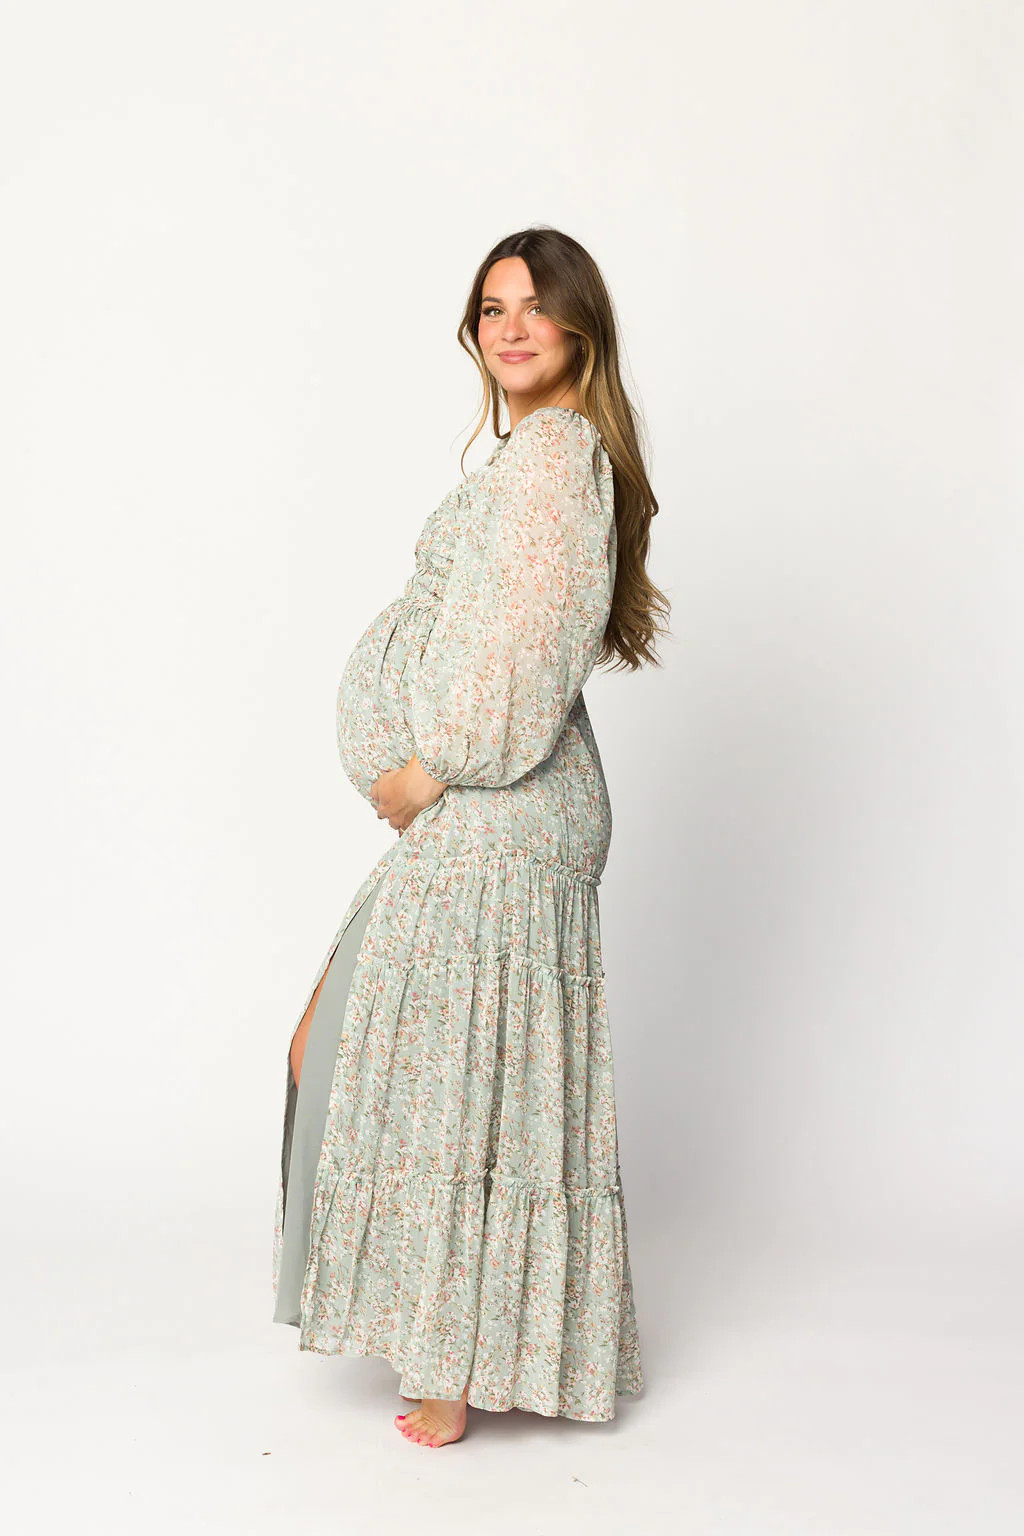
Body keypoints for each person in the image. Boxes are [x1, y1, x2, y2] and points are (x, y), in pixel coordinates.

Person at [271, 224, 670, 1449]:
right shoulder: (535, 457)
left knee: (445, 1082)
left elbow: (525, 652)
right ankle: (456, 1339)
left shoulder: (555, 459)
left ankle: (451, 1364)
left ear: (578, 328)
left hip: (498, 803)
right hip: (483, 806)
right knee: (378, 1056)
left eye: (534, 306)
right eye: (492, 308)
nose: (510, 327)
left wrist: (429, 767)